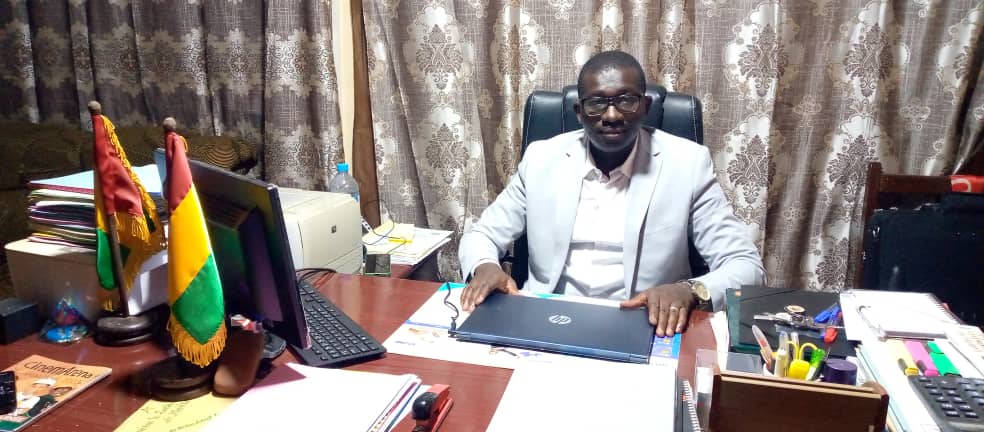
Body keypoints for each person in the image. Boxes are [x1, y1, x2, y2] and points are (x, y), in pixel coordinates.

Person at [458, 50, 764, 337]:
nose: (613, 115)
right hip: (546, 319)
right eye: (596, 104)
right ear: (579, 112)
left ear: (645, 106)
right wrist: (485, 266)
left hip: (644, 324)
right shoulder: (542, 159)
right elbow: (482, 235)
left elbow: (746, 266)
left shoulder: (688, 164)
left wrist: (690, 290)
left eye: (626, 100)